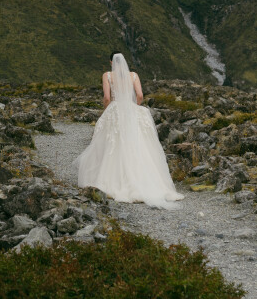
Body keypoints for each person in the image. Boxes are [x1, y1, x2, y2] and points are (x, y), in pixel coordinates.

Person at [76, 52, 184, 210]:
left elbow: (107, 97)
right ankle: (146, 182)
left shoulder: (107, 75)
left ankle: (113, 180)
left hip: (115, 110)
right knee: (138, 145)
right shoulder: (133, 75)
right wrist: (133, 107)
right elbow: (139, 95)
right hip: (132, 111)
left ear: (111, 62)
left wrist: (108, 110)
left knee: (112, 145)